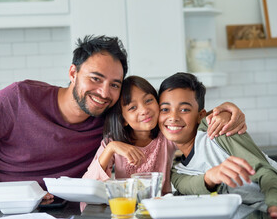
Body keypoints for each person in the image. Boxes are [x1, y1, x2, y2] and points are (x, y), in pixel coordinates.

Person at [0, 35, 244, 194]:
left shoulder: (109, 114)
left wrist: (226, 110)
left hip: (58, 210)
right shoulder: (20, 97)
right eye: (95, 78)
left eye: (114, 84)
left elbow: (168, 115)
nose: (104, 92)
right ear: (73, 72)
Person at [158, 72, 277, 219]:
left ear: (201, 115)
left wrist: (275, 204)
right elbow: (191, 187)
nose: (173, 117)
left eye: (184, 109)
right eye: (165, 109)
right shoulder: (177, 170)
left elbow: (264, 172)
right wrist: (212, 176)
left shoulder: (218, 130)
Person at [83, 76, 242, 195]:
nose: (144, 110)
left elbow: (196, 120)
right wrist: (111, 148)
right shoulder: (113, 142)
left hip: (163, 211)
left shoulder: (165, 134)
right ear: (123, 120)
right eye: (132, 108)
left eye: (148, 100)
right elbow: (88, 185)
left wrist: (226, 110)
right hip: (128, 212)